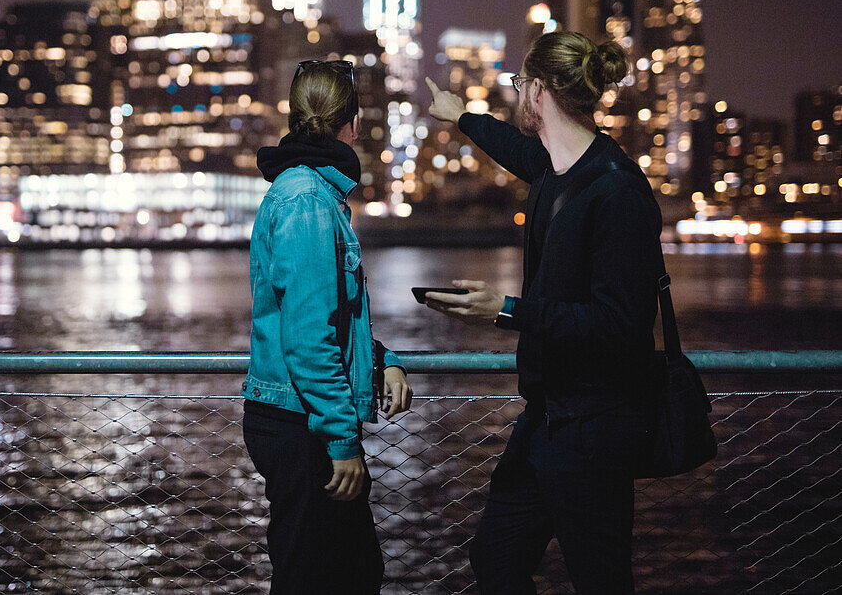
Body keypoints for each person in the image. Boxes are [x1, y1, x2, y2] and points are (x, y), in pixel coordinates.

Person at [424, 31, 664, 594]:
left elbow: (621, 323)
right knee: (496, 559)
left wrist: (507, 309)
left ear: (538, 91)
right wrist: (462, 117)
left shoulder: (616, 192)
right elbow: (519, 151)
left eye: (519, 83)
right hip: (549, 417)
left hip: (597, 423)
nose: (517, 94)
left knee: (599, 580)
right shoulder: (557, 171)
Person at [242, 59, 414, 594]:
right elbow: (310, 336)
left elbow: (332, 321)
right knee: (318, 577)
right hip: (303, 425)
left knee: (347, 572)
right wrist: (341, 438)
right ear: (354, 123)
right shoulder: (307, 199)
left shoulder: (312, 193)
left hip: (301, 415)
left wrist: (381, 360)